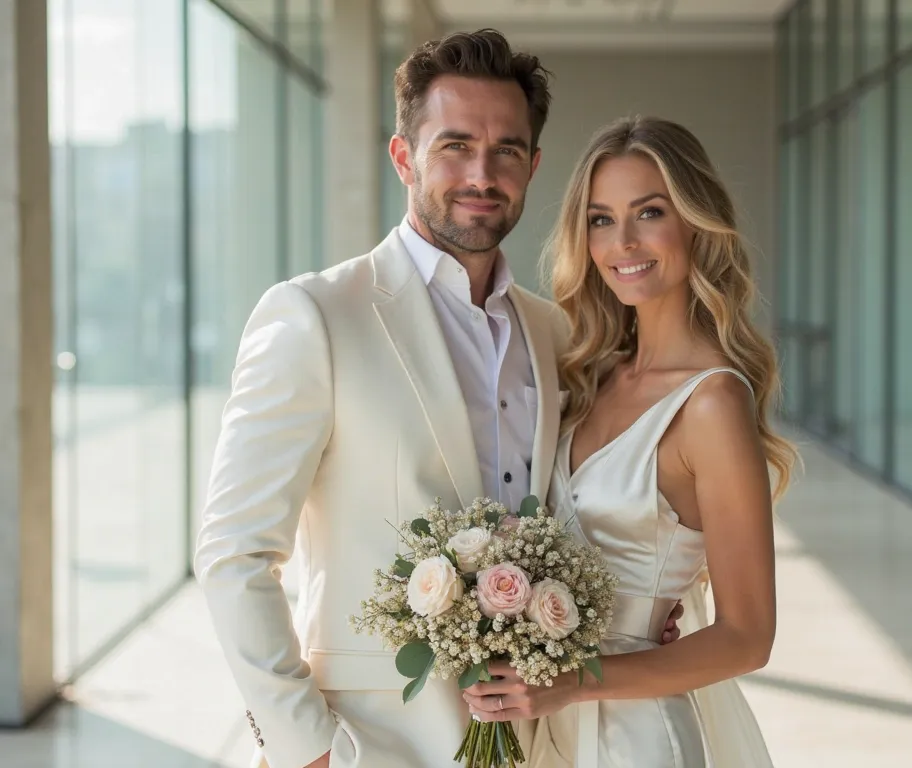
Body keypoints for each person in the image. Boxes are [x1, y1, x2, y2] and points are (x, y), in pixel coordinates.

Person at [193, 32, 682, 768]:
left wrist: (633, 616)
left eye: (507, 151)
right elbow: (233, 553)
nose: (481, 174)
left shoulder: (557, 334)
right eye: (454, 145)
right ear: (403, 157)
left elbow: (577, 512)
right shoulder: (314, 316)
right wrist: (306, 749)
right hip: (370, 744)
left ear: (533, 166)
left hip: (537, 737)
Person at [462, 116, 800, 768]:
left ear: (697, 223)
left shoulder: (713, 403)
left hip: (638, 739)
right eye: (600, 219)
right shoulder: (591, 376)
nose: (623, 242)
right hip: (552, 728)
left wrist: (575, 680)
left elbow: (747, 638)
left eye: (649, 212)